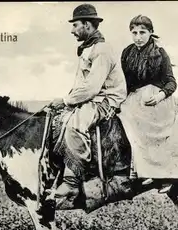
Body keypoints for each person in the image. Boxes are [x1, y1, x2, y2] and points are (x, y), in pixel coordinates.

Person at [118, 14, 178, 193]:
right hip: (135, 97)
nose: (138, 37)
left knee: (168, 129)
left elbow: (171, 81)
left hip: (158, 98)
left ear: (150, 33)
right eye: (134, 33)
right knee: (124, 117)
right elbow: (125, 82)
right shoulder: (127, 52)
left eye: (142, 32)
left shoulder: (160, 53)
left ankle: (167, 175)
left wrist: (160, 96)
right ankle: (141, 169)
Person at [49, 4, 127, 199]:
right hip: (94, 97)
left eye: (75, 25)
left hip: (105, 100)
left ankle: (72, 181)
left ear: (87, 25)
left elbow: (92, 88)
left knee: (75, 126)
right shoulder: (89, 48)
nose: (72, 30)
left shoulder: (101, 49)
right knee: (59, 120)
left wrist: (66, 100)